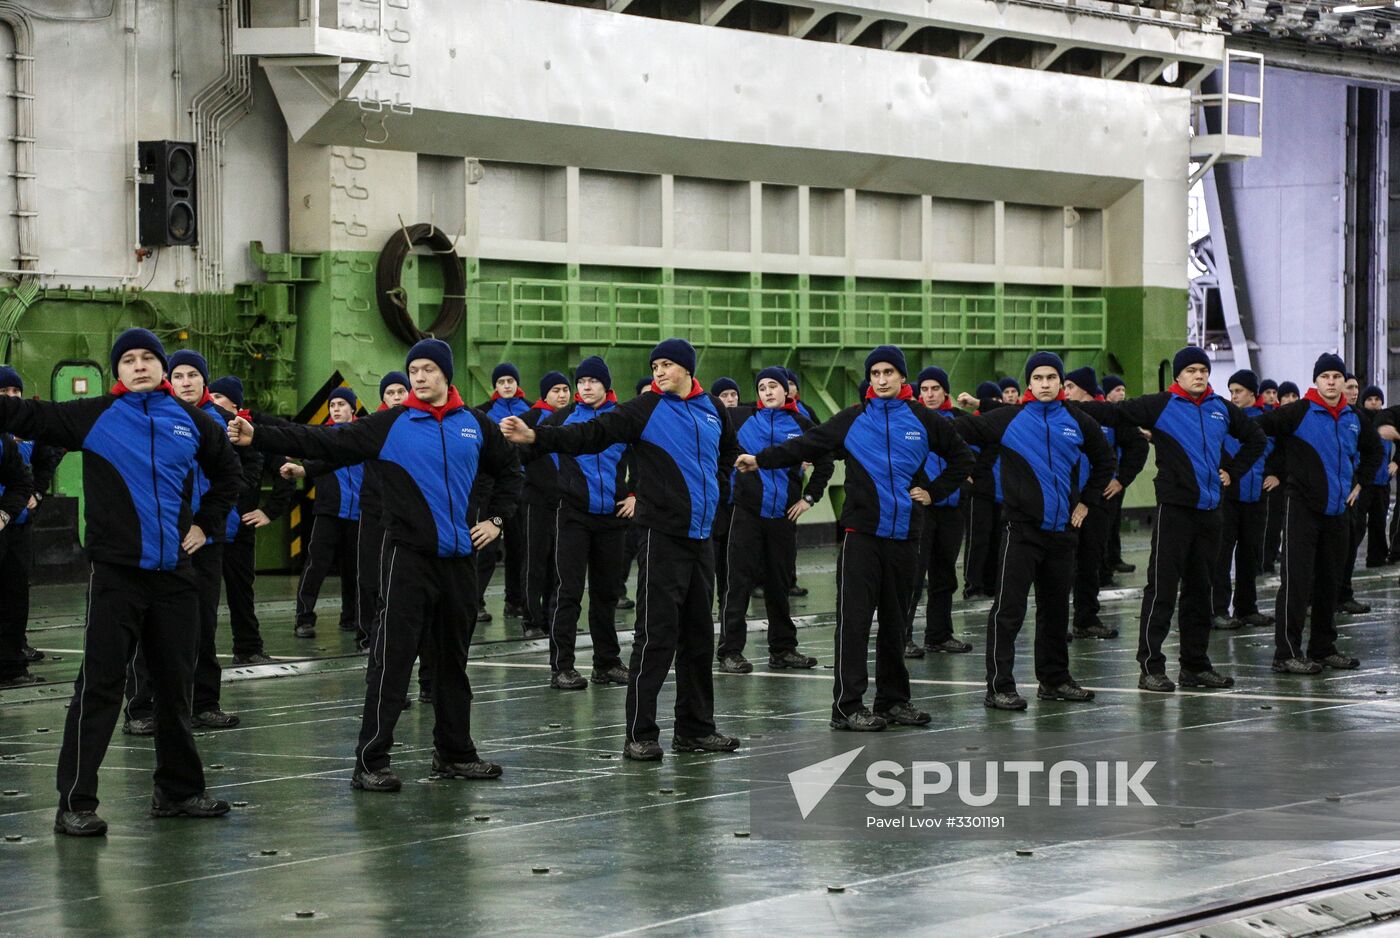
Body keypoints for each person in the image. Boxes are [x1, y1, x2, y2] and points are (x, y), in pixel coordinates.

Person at [229, 338, 521, 791]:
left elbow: (510, 472)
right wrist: (260, 433)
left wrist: (497, 521)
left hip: (460, 562)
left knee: (452, 662)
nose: (419, 377)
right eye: (414, 370)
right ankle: (370, 761)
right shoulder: (390, 426)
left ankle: (455, 753)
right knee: (392, 660)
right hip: (407, 558)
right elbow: (322, 438)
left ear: (447, 374)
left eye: (427, 369)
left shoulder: (476, 426)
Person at [0, 328, 240, 835]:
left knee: (176, 689)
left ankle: (178, 791)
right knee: (100, 687)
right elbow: (22, 415)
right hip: (116, 575)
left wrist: (205, 525)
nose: (137, 366)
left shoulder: (195, 422)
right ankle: (76, 802)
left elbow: (229, 475)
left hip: (175, 577)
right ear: (116, 372)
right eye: (127, 360)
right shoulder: (92, 418)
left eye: (146, 358)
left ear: (161, 366)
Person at [502, 338, 742, 761]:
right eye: (655, 365)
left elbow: (727, 455)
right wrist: (536, 436)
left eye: (668, 364)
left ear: (687, 368)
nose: (660, 371)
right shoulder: (644, 409)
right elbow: (591, 433)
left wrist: (721, 491)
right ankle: (640, 733)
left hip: (701, 540)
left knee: (700, 637)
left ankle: (695, 728)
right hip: (661, 538)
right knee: (655, 637)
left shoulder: (713, 409)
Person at [737, 345, 974, 731]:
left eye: (888, 373)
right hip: (861, 536)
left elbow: (963, 458)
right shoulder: (852, 420)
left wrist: (932, 492)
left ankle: (894, 701)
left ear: (901, 378)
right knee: (855, 622)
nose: (881, 380)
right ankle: (847, 707)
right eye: (875, 374)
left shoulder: (922, 420)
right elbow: (806, 445)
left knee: (897, 623)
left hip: (904, 536)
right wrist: (760, 459)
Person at [954, 353, 1116, 709]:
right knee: (1009, 611)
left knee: (1056, 611)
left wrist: (1088, 501)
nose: (1045, 383)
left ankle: (1055, 680)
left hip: (1062, 533)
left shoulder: (1078, 420)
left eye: (1051, 378)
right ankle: (999, 686)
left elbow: (1105, 461)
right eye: (1038, 378)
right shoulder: (1008, 419)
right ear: (1029, 383)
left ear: (1061, 383)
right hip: (1021, 531)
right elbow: (958, 431)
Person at [1113, 346, 1266, 692]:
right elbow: (1114, 413)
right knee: (1162, 590)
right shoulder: (1161, 405)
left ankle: (1195, 666)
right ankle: (1151, 667)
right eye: (1192, 370)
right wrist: (1068, 407)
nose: (1199, 375)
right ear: (1178, 376)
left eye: (1203, 369)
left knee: (1200, 590)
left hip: (1211, 513)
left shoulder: (1221, 409)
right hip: (1175, 512)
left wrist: (1234, 471)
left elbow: (1256, 439)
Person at [124, 350, 250, 733]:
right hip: (159, 540)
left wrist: (206, 526)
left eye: (192, 375)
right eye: (177, 375)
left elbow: (240, 473)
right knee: (151, 627)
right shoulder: (149, 418)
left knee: (203, 624)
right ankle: (142, 709)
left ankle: (204, 703)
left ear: (204, 381)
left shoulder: (224, 424)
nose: (185, 382)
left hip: (205, 541)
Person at [1260, 354, 1380, 674]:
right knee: (1297, 582)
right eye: (1324, 376)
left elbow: (1374, 450)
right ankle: (1286, 653)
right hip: (1302, 509)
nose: (1330, 381)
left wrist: (1362, 483)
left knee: (1330, 582)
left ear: (1344, 382)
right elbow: (1258, 427)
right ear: (1315, 381)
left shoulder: (1354, 417)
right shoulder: (1297, 413)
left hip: (1338, 511)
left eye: (1336, 376)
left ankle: (1323, 648)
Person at [717, 366, 833, 673]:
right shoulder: (740, 420)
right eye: (762, 388)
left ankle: (782, 649)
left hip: (782, 517)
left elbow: (825, 461)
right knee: (738, 582)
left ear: (787, 390)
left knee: (778, 583)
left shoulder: (802, 424)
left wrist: (810, 498)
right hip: (746, 515)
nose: (767, 392)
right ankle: (730, 650)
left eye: (773, 386)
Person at [525, 356, 631, 690]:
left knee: (606, 593)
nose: (585, 387)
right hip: (573, 516)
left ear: (606, 386)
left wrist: (636, 493)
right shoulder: (562, 418)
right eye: (580, 382)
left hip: (612, 517)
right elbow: (524, 455)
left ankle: (607, 662)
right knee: (568, 591)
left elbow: (645, 460)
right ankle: (562, 667)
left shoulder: (624, 419)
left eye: (592, 382)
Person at [1061, 366, 1147, 640]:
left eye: (1070, 386)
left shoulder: (1110, 418)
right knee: (1060, 562)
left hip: (1096, 501)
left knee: (1090, 560)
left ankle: (1086, 618)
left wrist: (1121, 479)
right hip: (1066, 500)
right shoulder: (1060, 414)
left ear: (1084, 389)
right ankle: (1056, 623)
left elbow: (1138, 445)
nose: (1066, 391)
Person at [281, 387, 364, 642]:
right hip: (329, 512)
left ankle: (350, 617)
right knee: (316, 566)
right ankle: (304, 619)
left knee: (355, 570)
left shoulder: (364, 436)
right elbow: (297, 446)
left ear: (353, 408)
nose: (336, 409)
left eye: (341, 404)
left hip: (360, 514)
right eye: (332, 405)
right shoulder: (321, 437)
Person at [204, 375, 275, 666]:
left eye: (221, 398)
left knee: (241, 591)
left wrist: (251, 502)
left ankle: (248, 646)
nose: (215, 402)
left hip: (235, 526)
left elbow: (258, 463)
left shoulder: (241, 430)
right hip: (204, 527)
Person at [904, 365, 973, 658]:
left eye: (935, 389)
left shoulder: (961, 421)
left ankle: (939, 634)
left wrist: (970, 481)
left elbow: (985, 453)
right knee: (914, 575)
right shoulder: (912, 420)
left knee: (945, 574)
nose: (930, 395)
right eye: (925, 390)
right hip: (922, 508)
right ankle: (902, 636)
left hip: (952, 508)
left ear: (946, 391)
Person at [0, 365, 60, 684]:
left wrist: (35, 492)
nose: (11, 398)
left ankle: (12, 661)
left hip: (17, 524)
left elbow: (42, 463)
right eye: (4, 393)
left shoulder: (25, 432)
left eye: (15, 392)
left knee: (14, 593)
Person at [1209, 369, 1275, 631]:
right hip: (1229, 496)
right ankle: (1218, 609)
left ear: (1252, 393)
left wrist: (1276, 475)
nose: (1234, 396)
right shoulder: (1225, 419)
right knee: (1222, 555)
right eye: (1231, 391)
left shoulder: (1268, 420)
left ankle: (1247, 608)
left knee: (1251, 554)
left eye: (1239, 391)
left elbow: (1282, 450)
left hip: (1257, 496)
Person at [517, 371, 572, 642]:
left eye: (565, 389)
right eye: (556, 390)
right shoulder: (530, 421)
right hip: (537, 503)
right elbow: (514, 460)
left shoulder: (574, 420)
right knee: (535, 562)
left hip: (565, 504)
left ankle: (552, 617)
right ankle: (531, 618)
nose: (562, 394)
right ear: (544, 394)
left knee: (558, 563)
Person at [475, 363, 530, 620]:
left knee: (518, 547)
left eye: (511, 380)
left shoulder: (530, 412)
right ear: (495, 386)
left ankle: (515, 601)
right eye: (501, 381)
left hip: (521, 487)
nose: (507, 385)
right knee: (485, 546)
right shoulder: (483, 413)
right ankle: (475, 601)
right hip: (489, 488)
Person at [960, 380, 1004, 600]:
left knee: (997, 539)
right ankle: (973, 585)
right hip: (981, 490)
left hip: (1001, 492)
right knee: (979, 538)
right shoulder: (975, 425)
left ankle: (990, 584)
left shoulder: (1001, 422)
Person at [0, 421, 36, 687]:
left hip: (9, 530)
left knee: (12, 596)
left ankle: (10, 667)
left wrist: (5, 513)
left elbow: (22, 481)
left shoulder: (3, 440)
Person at [1263, 379, 1303, 572]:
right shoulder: (1275, 422)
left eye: (1294, 396)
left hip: (1296, 481)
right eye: (1286, 396)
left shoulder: (1303, 422)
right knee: (1273, 524)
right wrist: (1273, 474)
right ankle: (1266, 561)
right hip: (1279, 481)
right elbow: (1271, 453)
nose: (1290, 399)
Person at [1099, 374, 1135, 576]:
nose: (1121, 393)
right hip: (1103, 480)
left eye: (1123, 389)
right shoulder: (1103, 417)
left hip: (1116, 478)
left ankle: (1113, 558)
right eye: (1117, 390)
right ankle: (1104, 563)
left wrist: (1121, 477)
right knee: (1104, 523)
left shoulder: (1123, 419)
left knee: (1114, 520)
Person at [1358, 385, 1395, 568]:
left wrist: (1396, 461)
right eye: (1370, 399)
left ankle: (1377, 558)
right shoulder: (1359, 419)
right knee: (1357, 524)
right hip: (1364, 482)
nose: (1374, 402)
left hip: (1382, 481)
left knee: (1379, 522)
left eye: (1377, 399)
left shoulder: (1387, 420)